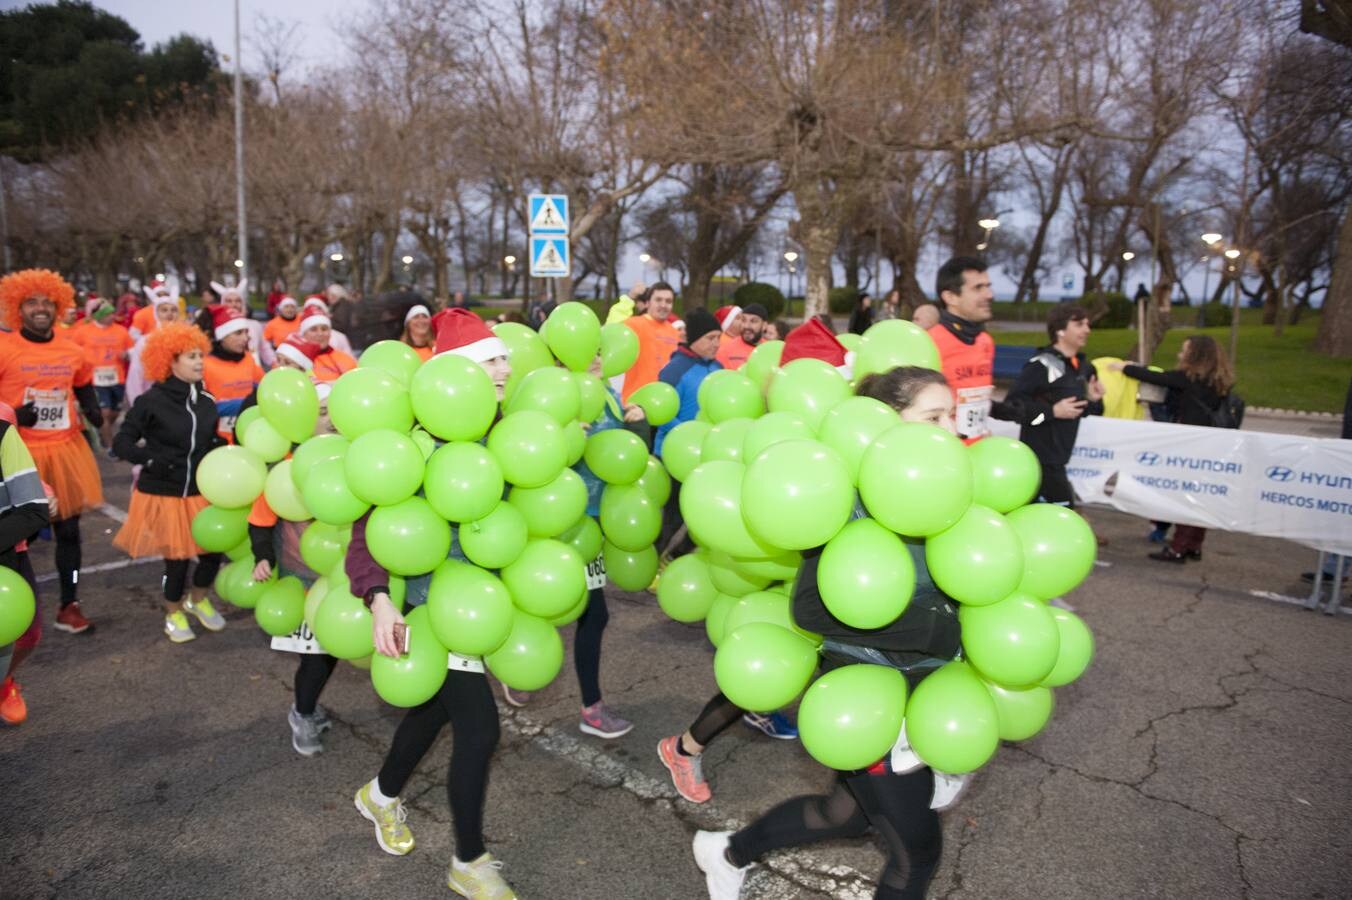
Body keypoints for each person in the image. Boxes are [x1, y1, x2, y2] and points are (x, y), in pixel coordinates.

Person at [692, 365, 961, 900]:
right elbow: (812, 611)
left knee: (845, 813)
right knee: (917, 853)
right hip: (867, 693)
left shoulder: (945, 490)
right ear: (885, 424)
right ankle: (726, 853)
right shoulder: (845, 505)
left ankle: (726, 852)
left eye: (953, 415)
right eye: (935, 417)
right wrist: (940, 632)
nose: (951, 430)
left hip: (922, 692)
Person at [347, 307, 518, 898]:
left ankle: (380, 795)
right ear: (457, 377)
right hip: (428, 609)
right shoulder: (414, 445)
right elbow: (367, 530)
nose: (504, 367)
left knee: (435, 712)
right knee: (478, 730)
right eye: (490, 360)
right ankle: (469, 863)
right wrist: (377, 601)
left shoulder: (501, 434)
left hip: (476, 603)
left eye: (504, 357)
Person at [501, 351, 646, 740]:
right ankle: (523, 664)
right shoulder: (549, 394)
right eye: (585, 351)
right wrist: (561, 436)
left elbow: (625, 457)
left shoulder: (610, 394)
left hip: (594, 520)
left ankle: (590, 707)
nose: (595, 358)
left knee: (592, 615)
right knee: (545, 604)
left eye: (599, 350)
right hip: (553, 518)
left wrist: (637, 419)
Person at [0, 269, 105, 635]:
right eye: (32, 302)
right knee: (14, 538)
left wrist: (92, 408)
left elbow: (83, 382)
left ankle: (69, 604)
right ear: (18, 307)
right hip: (18, 455)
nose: (41, 309)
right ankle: (12, 609)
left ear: (58, 307)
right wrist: (14, 412)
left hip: (65, 450)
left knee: (70, 533)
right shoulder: (5, 348)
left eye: (48, 302)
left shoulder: (71, 348)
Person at [111, 322, 228, 643]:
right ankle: (173, 610)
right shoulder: (152, 400)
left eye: (200, 355)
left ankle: (198, 600)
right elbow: (121, 443)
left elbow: (205, 441)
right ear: (170, 360)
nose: (200, 362)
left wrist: (220, 447)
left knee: (212, 555)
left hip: (200, 493)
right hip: (164, 493)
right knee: (176, 562)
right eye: (191, 356)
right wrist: (148, 459)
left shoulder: (205, 399)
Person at [1109, 335, 1236, 563]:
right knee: (1200, 496)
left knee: (1184, 496)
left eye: (1184, 351)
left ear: (1195, 356)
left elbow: (1156, 377)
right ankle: (1194, 545)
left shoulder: (1189, 379)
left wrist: (1124, 367)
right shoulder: (1218, 383)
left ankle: (1178, 547)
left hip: (1190, 447)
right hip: (1213, 446)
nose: (1179, 355)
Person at [1003, 305, 1104, 507]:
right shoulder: (1040, 365)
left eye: (1087, 324)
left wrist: (1094, 400)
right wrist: (1052, 412)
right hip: (1038, 461)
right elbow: (1011, 407)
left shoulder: (1084, 367)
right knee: (1063, 514)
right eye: (1079, 324)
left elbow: (1089, 411)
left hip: (1060, 459)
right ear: (1060, 330)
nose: (1087, 329)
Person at [0, 400, 52, 725]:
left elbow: (34, 507)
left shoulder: (2, 427)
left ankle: (5, 681)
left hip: (6, 564)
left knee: (27, 635)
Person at [927, 255, 1010, 439]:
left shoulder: (985, 341)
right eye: (978, 288)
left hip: (977, 451)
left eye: (988, 286)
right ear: (950, 297)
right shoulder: (930, 342)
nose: (989, 295)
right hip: (942, 453)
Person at [655, 308, 724, 455]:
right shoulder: (674, 370)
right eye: (711, 338)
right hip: (673, 452)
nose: (717, 344)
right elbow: (661, 413)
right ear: (695, 338)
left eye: (719, 337)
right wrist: (690, 434)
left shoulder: (718, 367)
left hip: (706, 450)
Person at [70, 298, 134, 451]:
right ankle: (111, 446)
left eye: (112, 313)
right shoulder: (83, 331)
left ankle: (102, 429)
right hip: (94, 378)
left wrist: (127, 354)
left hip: (116, 377)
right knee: (104, 412)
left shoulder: (121, 331)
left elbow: (132, 350)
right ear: (98, 316)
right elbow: (72, 351)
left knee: (114, 412)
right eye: (107, 314)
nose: (112, 317)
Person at [200, 305, 266, 443]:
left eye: (246, 332)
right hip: (217, 440)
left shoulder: (248, 359)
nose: (245, 338)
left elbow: (265, 388)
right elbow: (203, 408)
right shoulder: (204, 364)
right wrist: (244, 404)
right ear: (222, 336)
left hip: (249, 436)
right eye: (238, 333)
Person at [621, 281, 681, 402]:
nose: (663, 305)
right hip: (636, 403)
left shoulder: (675, 333)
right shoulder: (633, 324)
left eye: (668, 301)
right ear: (647, 303)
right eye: (658, 300)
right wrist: (629, 298)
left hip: (665, 403)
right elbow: (611, 332)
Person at [124, 294, 182, 406]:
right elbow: (136, 374)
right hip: (154, 398)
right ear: (156, 313)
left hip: (180, 398)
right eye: (164, 310)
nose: (169, 314)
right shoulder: (145, 341)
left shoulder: (187, 339)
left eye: (173, 310)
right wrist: (138, 405)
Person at [212, 279, 272, 368]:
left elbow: (265, 350)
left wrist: (275, 364)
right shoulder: (215, 327)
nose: (234, 304)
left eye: (237, 301)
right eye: (229, 301)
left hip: (254, 373)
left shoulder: (255, 325)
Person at [298, 304, 359, 383]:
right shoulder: (296, 362)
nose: (320, 333)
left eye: (324, 329)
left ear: (330, 333)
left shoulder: (346, 359)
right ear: (303, 334)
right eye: (313, 329)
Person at [715, 303, 767, 371]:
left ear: (764, 325)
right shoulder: (725, 350)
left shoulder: (771, 349)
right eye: (743, 320)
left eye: (753, 321)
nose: (746, 326)